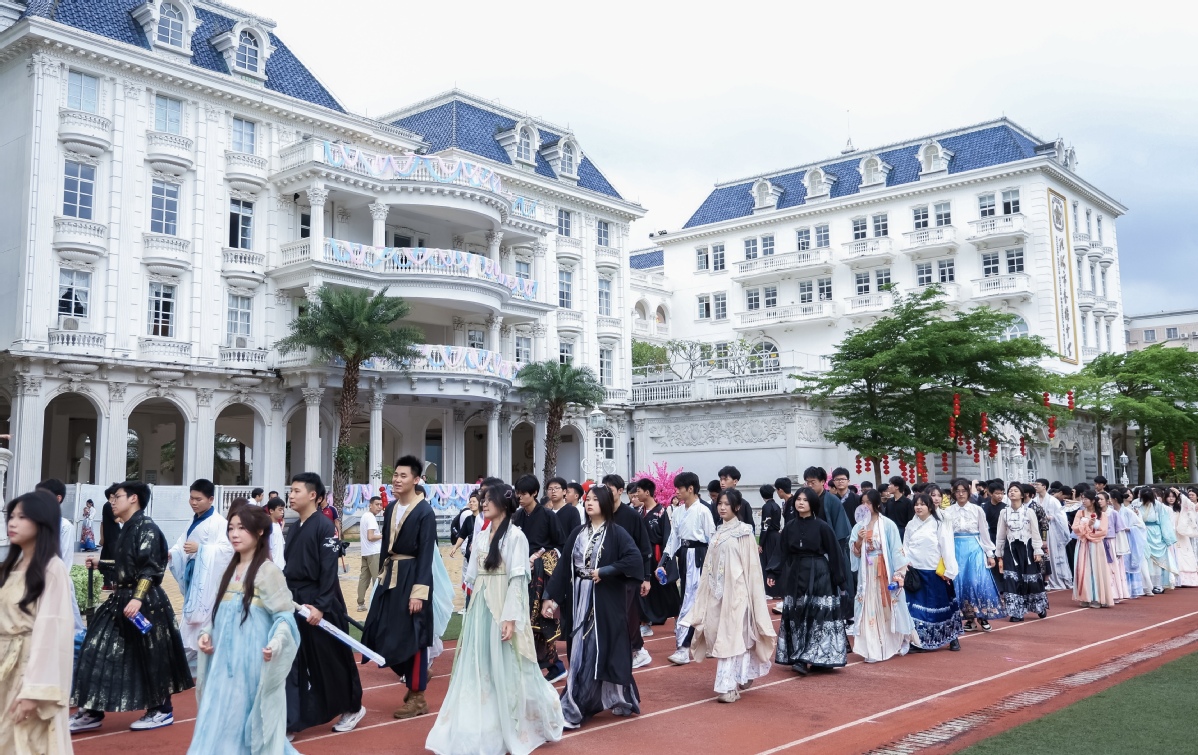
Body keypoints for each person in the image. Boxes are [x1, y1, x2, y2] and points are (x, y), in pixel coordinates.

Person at [426, 485, 564, 755]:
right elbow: (472, 576)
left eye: (489, 500)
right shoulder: (481, 534)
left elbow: (517, 580)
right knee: (480, 661)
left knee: (508, 661)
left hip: (503, 604)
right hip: (481, 604)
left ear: (503, 503)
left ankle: (522, 717)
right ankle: (483, 720)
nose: (483, 503)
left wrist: (511, 617)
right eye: (483, 499)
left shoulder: (515, 537)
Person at [70, 481, 193, 733]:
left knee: (151, 655)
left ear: (134, 498)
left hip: (146, 602)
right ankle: (91, 710)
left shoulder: (147, 528)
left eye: (117, 496)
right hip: (122, 600)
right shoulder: (127, 528)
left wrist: (138, 598)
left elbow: (149, 567)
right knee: (95, 647)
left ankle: (161, 710)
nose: (112, 501)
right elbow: (126, 564)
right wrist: (102, 565)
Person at [190, 506, 300, 755]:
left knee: (248, 728)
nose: (234, 534)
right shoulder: (228, 572)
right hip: (222, 668)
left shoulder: (268, 571)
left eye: (242, 528)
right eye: (231, 528)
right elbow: (219, 617)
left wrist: (277, 642)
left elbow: (284, 617)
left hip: (252, 666)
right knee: (216, 723)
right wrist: (206, 634)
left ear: (259, 532)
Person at [543, 485, 643, 728]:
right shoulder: (578, 532)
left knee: (600, 649)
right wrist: (551, 598)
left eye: (595, 500)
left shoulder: (617, 533)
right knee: (581, 650)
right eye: (587, 499)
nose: (589, 503)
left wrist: (606, 571)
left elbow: (633, 560)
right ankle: (579, 703)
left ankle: (580, 704)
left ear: (606, 504)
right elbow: (563, 567)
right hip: (579, 598)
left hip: (605, 601)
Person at [284, 473, 365, 736]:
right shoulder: (294, 527)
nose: (291, 495)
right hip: (295, 601)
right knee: (299, 661)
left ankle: (353, 707)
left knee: (331, 659)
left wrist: (319, 606)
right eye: (291, 491)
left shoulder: (325, 525)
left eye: (297, 491)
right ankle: (294, 719)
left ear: (314, 496)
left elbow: (329, 570)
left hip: (322, 601)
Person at [362, 456, 440, 719]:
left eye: (403, 475)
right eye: (395, 474)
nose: (396, 479)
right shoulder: (392, 507)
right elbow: (386, 545)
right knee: (378, 630)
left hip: (413, 576)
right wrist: (382, 576)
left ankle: (417, 697)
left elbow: (427, 554)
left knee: (413, 635)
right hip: (390, 576)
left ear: (416, 480)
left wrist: (419, 592)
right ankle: (414, 672)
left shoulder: (424, 512)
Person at [683, 488, 775, 703]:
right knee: (720, 635)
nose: (722, 507)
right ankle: (745, 674)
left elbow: (753, 568)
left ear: (737, 507)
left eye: (726, 504)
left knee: (732, 636)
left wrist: (754, 599)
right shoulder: (717, 533)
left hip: (738, 596)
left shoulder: (744, 532)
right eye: (720, 504)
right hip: (717, 596)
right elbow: (708, 568)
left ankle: (727, 685)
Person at [1, 491, 75, 755]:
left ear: (41, 521)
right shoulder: (11, 566)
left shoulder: (52, 569)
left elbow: (52, 631)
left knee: (27, 742)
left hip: (27, 669)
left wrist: (34, 691)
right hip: (4, 668)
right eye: (11, 516)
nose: (12, 523)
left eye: (22, 517)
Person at [767, 487, 849, 675]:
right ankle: (800, 655)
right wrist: (773, 573)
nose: (800, 502)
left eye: (805, 499)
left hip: (819, 573)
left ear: (812, 503)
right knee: (798, 614)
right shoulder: (789, 527)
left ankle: (811, 657)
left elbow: (835, 553)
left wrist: (841, 581)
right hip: (796, 573)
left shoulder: (822, 526)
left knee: (817, 615)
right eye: (798, 499)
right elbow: (781, 551)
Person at [169, 479, 234, 672]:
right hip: (194, 576)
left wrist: (202, 549)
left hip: (208, 581)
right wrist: (173, 553)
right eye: (191, 498)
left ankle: (202, 661)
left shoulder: (219, 523)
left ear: (211, 499)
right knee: (192, 616)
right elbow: (182, 542)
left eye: (198, 499)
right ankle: (189, 661)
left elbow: (227, 550)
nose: (193, 502)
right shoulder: (194, 520)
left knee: (204, 618)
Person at [510, 474, 568, 682]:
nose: (519, 497)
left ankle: (555, 667)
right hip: (520, 576)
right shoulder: (517, 517)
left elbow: (561, 546)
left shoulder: (548, 516)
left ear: (534, 493)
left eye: (523, 493)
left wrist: (541, 557)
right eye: (517, 493)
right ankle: (532, 667)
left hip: (540, 578)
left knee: (538, 623)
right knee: (522, 623)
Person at [849, 489, 916, 662]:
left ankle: (897, 640)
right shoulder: (858, 526)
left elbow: (896, 549)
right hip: (867, 574)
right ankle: (871, 647)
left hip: (885, 571)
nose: (865, 506)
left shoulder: (887, 524)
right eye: (862, 502)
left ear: (876, 504)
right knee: (867, 606)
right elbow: (854, 552)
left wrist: (899, 574)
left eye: (868, 502)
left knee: (889, 605)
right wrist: (859, 540)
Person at [664, 471, 716, 665]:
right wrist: (665, 560)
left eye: (680, 488)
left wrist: (712, 564)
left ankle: (684, 647)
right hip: (685, 555)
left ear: (691, 489)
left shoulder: (703, 510)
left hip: (699, 555)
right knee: (687, 595)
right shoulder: (678, 512)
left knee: (693, 598)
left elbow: (711, 538)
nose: (677, 492)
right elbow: (674, 538)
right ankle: (703, 643)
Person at [603, 474, 654, 670]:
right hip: (608, 573)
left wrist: (646, 578)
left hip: (630, 574)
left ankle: (638, 650)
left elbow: (644, 547)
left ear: (620, 491)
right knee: (612, 614)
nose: (606, 493)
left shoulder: (632, 515)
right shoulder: (603, 514)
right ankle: (621, 651)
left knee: (628, 614)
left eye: (610, 489)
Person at [903, 493, 962, 652]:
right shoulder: (910, 525)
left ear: (929, 507)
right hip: (915, 572)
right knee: (916, 609)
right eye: (916, 504)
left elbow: (946, 547)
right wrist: (905, 563)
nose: (919, 507)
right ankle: (919, 641)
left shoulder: (938, 524)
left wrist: (950, 570)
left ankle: (952, 638)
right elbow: (905, 546)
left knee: (941, 607)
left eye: (922, 504)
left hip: (935, 572)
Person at [945, 479, 1003, 631]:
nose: (961, 494)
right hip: (956, 548)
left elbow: (984, 532)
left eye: (964, 491)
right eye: (958, 491)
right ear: (954, 493)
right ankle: (969, 618)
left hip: (975, 548)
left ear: (969, 492)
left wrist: (990, 554)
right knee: (960, 583)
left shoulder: (977, 510)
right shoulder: (948, 512)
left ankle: (982, 616)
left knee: (976, 581)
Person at [35, 478, 86, 644]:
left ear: (58, 499)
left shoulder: (64, 526)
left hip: (56, 581)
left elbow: (64, 559)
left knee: (71, 629)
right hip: (36, 580)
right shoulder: (35, 524)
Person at [994, 482, 1048, 621]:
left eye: (1015, 490)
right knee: (1012, 579)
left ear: (1022, 495)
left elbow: (1035, 532)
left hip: (1027, 548)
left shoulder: (1029, 511)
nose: (1012, 493)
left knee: (1031, 578)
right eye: (1010, 490)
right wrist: (998, 552)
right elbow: (1000, 534)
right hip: (1011, 549)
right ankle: (1016, 612)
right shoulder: (1004, 512)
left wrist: (1037, 550)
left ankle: (1039, 606)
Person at [634, 478, 681, 634]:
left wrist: (665, 561)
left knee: (667, 589)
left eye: (639, 491)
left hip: (658, 554)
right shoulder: (639, 512)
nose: (636, 494)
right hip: (643, 557)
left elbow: (668, 537)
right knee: (643, 589)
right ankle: (645, 623)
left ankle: (678, 620)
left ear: (647, 492)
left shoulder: (661, 512)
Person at [1072, 490, 1113, 608]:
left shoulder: (1102, 515)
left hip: (1095, 545)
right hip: (1082, 544)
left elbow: (1103, 531)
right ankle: (1085, 596)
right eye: (1082, 498)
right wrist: (1087, 525)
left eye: (1085, 499)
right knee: (1082, 569)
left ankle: (1097, 598)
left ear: (1093, 501)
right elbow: (1075, 529)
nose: (1083, 501)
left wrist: (1088, 533)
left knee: (1096, 569)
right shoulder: (1080, 513)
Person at [1140, 487, 1178, 593]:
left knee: (1157, 562)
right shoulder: (1137, 504)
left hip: (1156, 534)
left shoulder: (1158, 506)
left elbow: (1164, 522)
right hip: (1142, 533)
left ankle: (1158, 584)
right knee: (1145, 560)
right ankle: (1147, 584)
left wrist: (1167, 538)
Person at [356, 496, 384, 612]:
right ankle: (377, 603)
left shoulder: (364, 516)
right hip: (374, 552)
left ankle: (361, 603)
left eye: (380, 505)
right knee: (377, 579)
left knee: (364, 578)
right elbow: (371, 537)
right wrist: (384, 535)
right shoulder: (371, 518)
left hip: (366, 552)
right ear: (370, 505)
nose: (379, 507)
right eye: (377, 504)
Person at [1166, 487, 1198, 587]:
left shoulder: (1180, 508)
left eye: (1173, 497)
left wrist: (1180, 494)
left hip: (1180, 534)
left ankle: (1186, 580)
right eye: (1169, 496)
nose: (1171, 499)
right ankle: (1173, 580)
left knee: (1184, 555)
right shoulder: (1163, 508)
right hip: (1169, 535)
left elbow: (1190, 506)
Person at [758, 483, 784, 600]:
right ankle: (778, 589)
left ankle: (770, 590)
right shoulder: (777, 506)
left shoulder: (766, 507)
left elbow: (765, 526)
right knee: (776, 562)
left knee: (767, 563)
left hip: (769, 538)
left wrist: (761, 543)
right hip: (776, 536)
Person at [718, 465, 755, 531]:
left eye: (726, 479)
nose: (722, 483)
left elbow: (750, 527)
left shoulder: (744, 504)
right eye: (721, 479)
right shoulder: (717, 503)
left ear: (735, 481)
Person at [99, 484, 120, 590]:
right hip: (113, 538)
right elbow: (116, 520)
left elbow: (102, 523)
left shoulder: (107, 506)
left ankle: (107, 583)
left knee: (105, 560)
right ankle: (115, 582)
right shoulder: (108, 506)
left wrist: (102, 538)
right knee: (116, 560)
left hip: (110, 538)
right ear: (112, 495)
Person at [884, 476, 915, 540]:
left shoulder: (908, 503)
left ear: (897, 487)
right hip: (889, 532)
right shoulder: (889, 501)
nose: (888, 486)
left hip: (903, 533)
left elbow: (911, 520)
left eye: (890, 484)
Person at [265, 497, 287, 570]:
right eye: (280, 510)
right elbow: (268, 548)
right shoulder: (268, 526)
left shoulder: (278, 524)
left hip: (281, 566)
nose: (282, 512)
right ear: (271, 511)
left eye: (283, 510)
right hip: (273, 567)